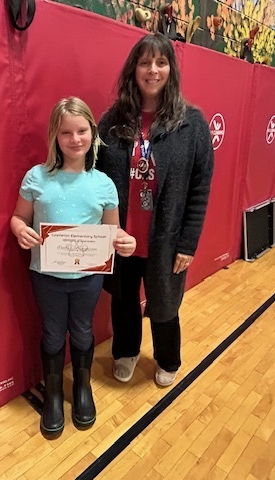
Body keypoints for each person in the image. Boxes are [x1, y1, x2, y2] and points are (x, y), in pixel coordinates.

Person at [10, 97, 136, 439]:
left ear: (92, 134)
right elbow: (18, 217)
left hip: (88, 278)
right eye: (66, 132)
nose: (75, 138)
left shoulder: (103, 184)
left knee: (81, 332)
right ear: (55, 135)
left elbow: (113, 230)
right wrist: (21, 230)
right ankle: (53, 394)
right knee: (52, 333)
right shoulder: (37, 177)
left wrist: (126, 241)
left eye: (81, 131)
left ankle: (82, 388)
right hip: (46, 277)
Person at [96, 33, 214, 388]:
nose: (152, 70)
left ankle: (168, 358)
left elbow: (200, 186)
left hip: (166, 239)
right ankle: (126, 352)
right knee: (123, 300)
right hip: (121, 238)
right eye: (145, 62)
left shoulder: (191, 123)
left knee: (164, 305)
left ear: (170, 70)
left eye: (161, 63)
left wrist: (189, 243)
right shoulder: (112, 121)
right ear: (134, 69)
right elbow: (94, 178)